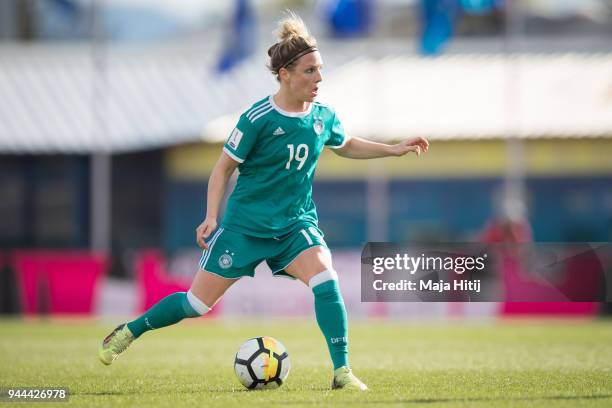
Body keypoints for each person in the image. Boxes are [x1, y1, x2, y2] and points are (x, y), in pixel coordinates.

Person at [98, 12, 429, 391]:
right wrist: (210, 217)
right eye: (309, 71)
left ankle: (342, 372)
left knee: (326, 279)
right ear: (285, 74)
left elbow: (347, 144)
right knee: (196, 305)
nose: (319, 79)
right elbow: (222, 169)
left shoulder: (322, 117)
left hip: (295, 225)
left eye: (320, 70)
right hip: (245, 228)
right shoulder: (257, 118)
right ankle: (129, 331)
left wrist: (393, 149)